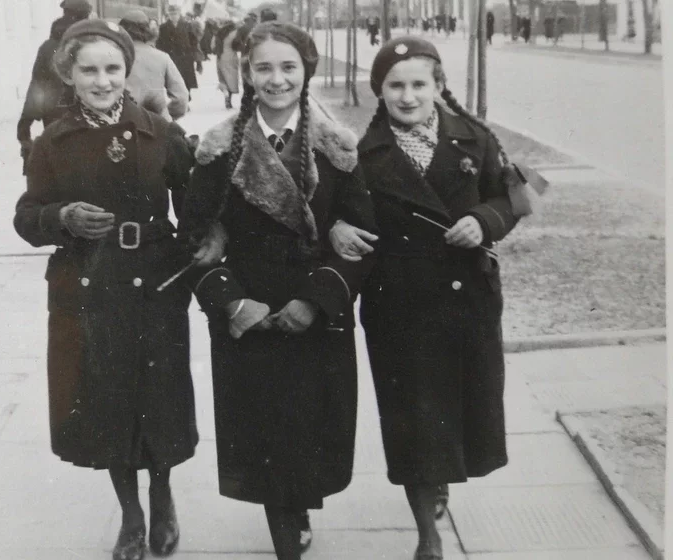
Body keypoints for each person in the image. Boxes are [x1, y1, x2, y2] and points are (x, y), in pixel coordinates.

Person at [328, 36, 534, 560]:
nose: (407, 95)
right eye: (395, 85)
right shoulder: (359, 153)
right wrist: (335, 227)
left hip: (468, 301)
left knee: (463, 412)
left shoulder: (477, 138)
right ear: (380, 91)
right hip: (399, 305)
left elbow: (513, 198)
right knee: (413, 422)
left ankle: (440, 482)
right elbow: (333, 209)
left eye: (419, 84)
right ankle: (427, 533)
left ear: (439, 86)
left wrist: (483, 221)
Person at [177, 21, 376, 560]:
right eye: (263, 67)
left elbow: (360, 241)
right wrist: (233, 301)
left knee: (310, 433)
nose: (276, 79)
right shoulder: (219, 151)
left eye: (288, 67)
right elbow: (193, 241)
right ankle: (286, 537)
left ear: (306, 71)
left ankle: (298, 510)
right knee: (268, 440)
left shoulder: (337, 148)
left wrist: (317, 298)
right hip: (254, 314)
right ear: (247, 73)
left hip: (315, 313)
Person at [13, 19, 196, 560]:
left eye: (112, 68)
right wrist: (61, 215)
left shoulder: (161, 133)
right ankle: (132, 516)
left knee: (159, 398)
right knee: (107, 396)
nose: (102, 81)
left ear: (127, 69)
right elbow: (27, 216)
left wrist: (193, 258)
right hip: (90, 285)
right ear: (68, 74)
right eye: (88, 70)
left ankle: (162, 497)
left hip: (155, 286)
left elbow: (195, 211)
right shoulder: (53, 142)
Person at [16, 0, 92, 173]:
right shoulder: (91, 44)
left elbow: (37, 85)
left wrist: (25, 122)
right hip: (86, 113)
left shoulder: (47, 47)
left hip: (54, 115)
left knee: (59, 162)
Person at [120, 9, 189, 121]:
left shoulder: (114, 57)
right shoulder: (162, 57)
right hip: (156, 125)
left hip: (123, 123)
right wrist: (165, 115)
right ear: (147, 31)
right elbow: (181, 98)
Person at [156, 4, 200, 97]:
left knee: (186, 78)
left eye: (175, 13)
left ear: (179, 14)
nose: (173, 16)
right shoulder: (163, 27)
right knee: (172, 79)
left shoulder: (187, 26)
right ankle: (175, 98)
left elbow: (194, 41)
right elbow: (159, 43)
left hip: (185, 57)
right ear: (168, 15)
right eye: (171, 14)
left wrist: (194, 55)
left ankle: (186, 96)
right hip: (171, 57)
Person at [214, 20, 240, 108]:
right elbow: (238, 45)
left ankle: (225, 95)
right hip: (231, 56)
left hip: (220, 57)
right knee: (231, 79)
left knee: (223, 79)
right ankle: (229, 98)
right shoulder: (235, 33)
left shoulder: (219, 33)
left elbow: (212, 46)